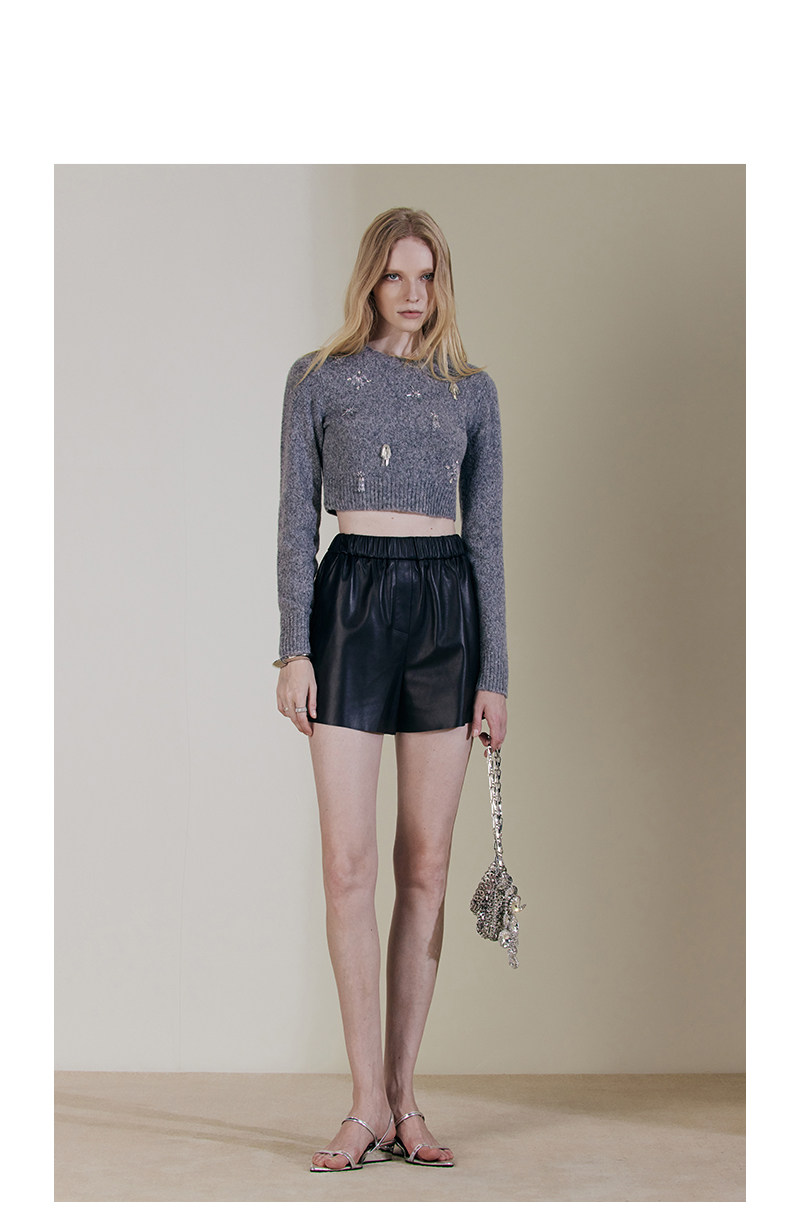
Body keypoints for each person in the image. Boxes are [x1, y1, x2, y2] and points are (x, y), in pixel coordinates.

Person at [275, 207, 509, 1172]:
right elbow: (295, 518)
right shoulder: (318, 379)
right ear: (369, 281)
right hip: (351, 607)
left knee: (426, 865)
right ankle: (363, 1101)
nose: (413, 294)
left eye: (428, 276)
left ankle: (405, 1098)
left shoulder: (471, 390)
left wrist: (497, 673)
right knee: (349, 866)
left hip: (446, 613)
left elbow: (487, 535)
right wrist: (293, 649)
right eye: (396, 276)